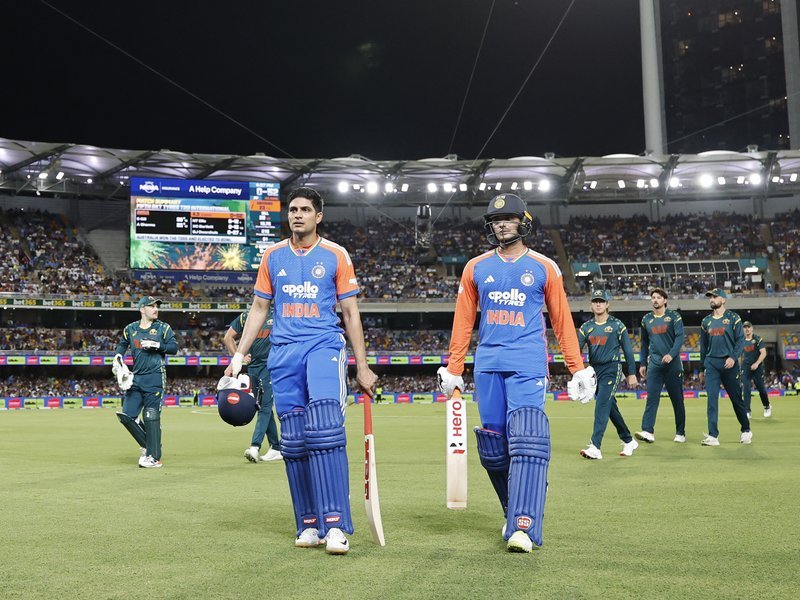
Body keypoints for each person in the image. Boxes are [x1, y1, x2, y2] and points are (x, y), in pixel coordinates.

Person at [438, 193, 594, 554]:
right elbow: (463, 320)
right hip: (488, 365)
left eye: (508, 218)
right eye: (495, 221)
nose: (501, 225)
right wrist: (454, 366)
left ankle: (524, 525)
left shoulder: (544, 266)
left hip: (527, 363)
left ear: (523, 222)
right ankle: (517, 506)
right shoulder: (475, 267)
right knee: (494, 448)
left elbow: (561, 320)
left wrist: (576, 367)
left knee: (526, 440)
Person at [226, 187, 377, 555]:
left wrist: (362, 365)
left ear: (318, 216)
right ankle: (309, 524)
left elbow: (350, 313)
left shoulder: (336, 254)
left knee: (325, 431)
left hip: (323, 346)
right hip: (283, 353)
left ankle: (336, 525)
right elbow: (259, 308)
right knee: (293, 442)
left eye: (305, 210)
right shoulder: (273, 255)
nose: (297, 215)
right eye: (293, 209)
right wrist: (239, 355)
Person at [113, 296, 178, 468]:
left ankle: (154, 457)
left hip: (155, 377)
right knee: (127, 416)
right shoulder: (130, 329)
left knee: (151, 416)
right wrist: (118, 357)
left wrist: (158, 346)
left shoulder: (163, 328)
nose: (156, 309)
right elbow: (122, 344)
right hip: (136, 378)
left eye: (157, 306)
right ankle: (150, 446)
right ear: (142, 309)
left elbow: (174, 348)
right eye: (151, 306)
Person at [577, 290, 638, 460]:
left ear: (607, 304)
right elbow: (577, 348)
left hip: (612, 368)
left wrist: (631, 373)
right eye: (595, 301)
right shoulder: (586, 327)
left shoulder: (617, 325)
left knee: (602, 404)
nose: (598, 304)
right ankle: (628, 440)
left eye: (601, 301)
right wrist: (573, 364)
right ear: (591, 305)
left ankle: (595, 447)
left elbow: (628, 351)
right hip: (594, 372)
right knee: (610, 407)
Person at [223, 309, 282, 462]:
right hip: (253, 368)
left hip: (271, 366)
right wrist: (238, 357)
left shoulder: (279, 313)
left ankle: (255, 446)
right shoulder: (246, 316)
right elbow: (228, 337)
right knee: (262, 406)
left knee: (264, 406)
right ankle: (276, 447)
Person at [699, 289, 752, 445]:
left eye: (715, 297)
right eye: (710, 297)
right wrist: (702, 367)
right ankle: (713, 436)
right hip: (711, 364)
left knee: (736, 399)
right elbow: (703, 346)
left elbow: (740, 341)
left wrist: (733, 357)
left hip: (730, 364)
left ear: (723, 300)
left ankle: (746, 430)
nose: (712, 299)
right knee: (712, 400)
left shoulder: (733, 318)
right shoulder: (705, 321)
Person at [635, 288, 686, 444]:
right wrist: (643, 363)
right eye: (653, 297)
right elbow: (644, 343)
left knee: (677, 400)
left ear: (665, 300)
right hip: (654, 365)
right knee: (652, 398)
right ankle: (648, 431)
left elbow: (680, 338)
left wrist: (671, 354)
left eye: (658, 297)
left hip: (673, 365)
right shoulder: (646, 319)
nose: (655, 300)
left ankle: (680, 432)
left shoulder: (674, 317)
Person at [741, 321, 771, 418]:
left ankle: (767, 406)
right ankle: (747, 411)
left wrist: (757, 363)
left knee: (761, 389)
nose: (747, 329)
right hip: (746, 367)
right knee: (746, 388)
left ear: (752, 328)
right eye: (745, 327)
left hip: (757, 367)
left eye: (748, 327)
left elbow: (763, 353)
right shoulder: (741, 340)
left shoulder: (758, 340)